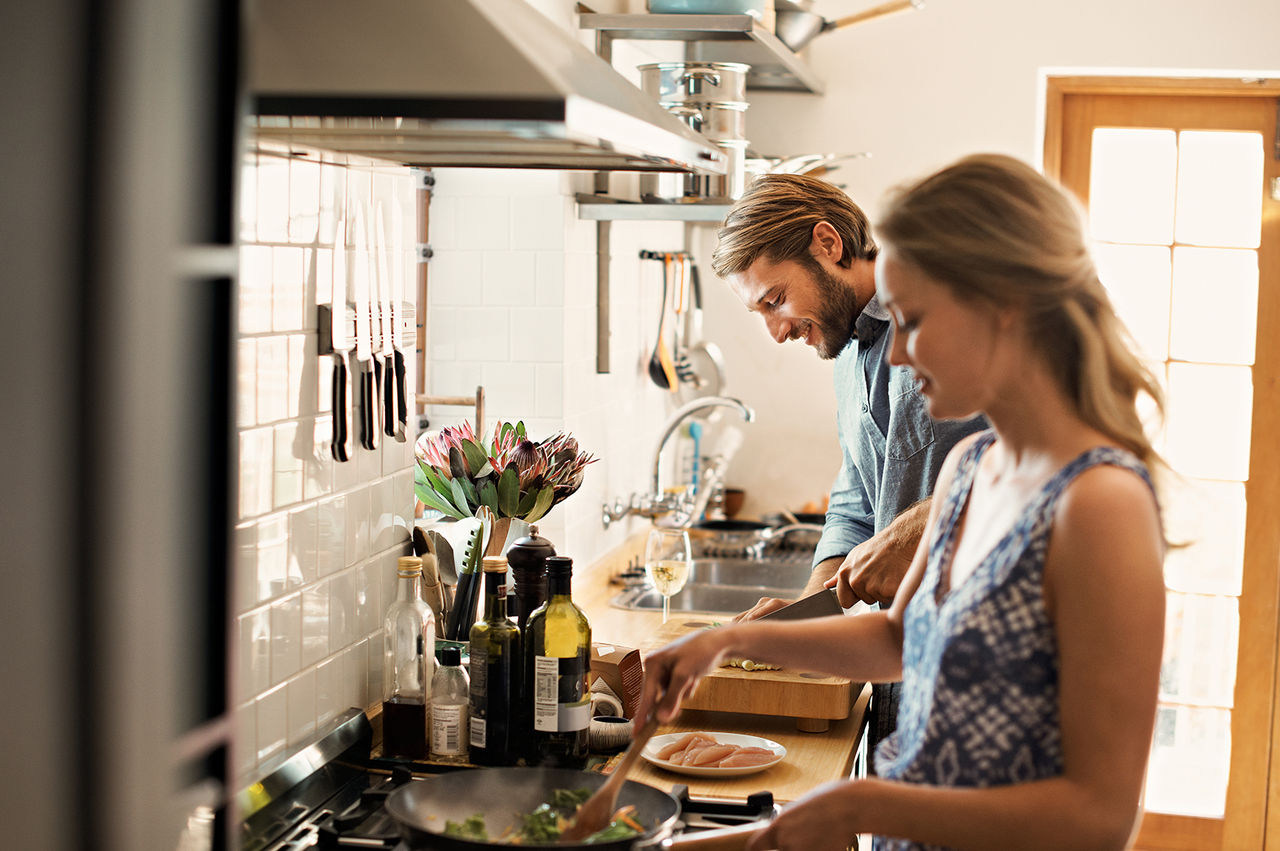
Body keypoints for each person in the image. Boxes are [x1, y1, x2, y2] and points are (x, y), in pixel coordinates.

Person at [638, 154, 1167, 851]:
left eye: (914, 320)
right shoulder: (970, 465)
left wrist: (858, 805)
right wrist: (726, 641)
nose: (892, 355)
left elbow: (1099, 818)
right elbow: (897, 638)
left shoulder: (1101, 504)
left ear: (1001, 306)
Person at [711, 173, 987, 750]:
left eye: (776, 299)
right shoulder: (843, 351)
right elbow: (857, 499)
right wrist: (811, 612)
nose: (777, 331)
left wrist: (924, 522)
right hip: (901, 652)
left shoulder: (948, 315)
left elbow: (1038, 460)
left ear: (828, 245)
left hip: (980, 657)